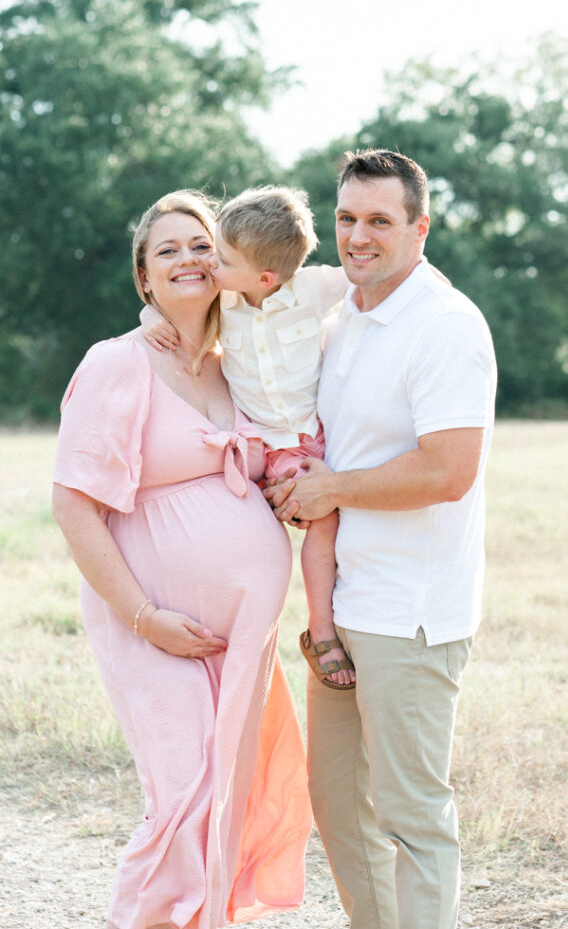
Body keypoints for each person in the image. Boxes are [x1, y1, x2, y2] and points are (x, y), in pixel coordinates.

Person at [52, 190, 311, 929]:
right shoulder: (118, 363)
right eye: (167, 250)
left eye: (202, 245)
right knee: (183, 795)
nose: (189, 259)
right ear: (144, 279)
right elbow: (74, 505)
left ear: (229, 262)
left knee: (227, 792)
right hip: (151, 621)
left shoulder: (245, 364)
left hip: (239, 634)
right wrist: (145, 618)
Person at [266, 149, 498, 929]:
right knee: (336, 806)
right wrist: (300, 481)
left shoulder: (445, 325)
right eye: (345, 219)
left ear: (418, 228)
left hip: (412, 613)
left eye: (378, 221)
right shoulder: (341, 319)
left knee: (409, 814)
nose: (357, 236)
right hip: (344, 606)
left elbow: (448, 470)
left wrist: (332, 488)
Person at [142, 186, 355, 688]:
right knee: (289, 520)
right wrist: (150, 313)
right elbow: (177, 303)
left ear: (264, 276)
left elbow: (379, 278)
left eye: (221, 256)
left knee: (326, 526)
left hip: (311, 436)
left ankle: (321, 627)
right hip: (259, 441)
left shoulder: (315, 288)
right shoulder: (226, 295)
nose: (210, 263)